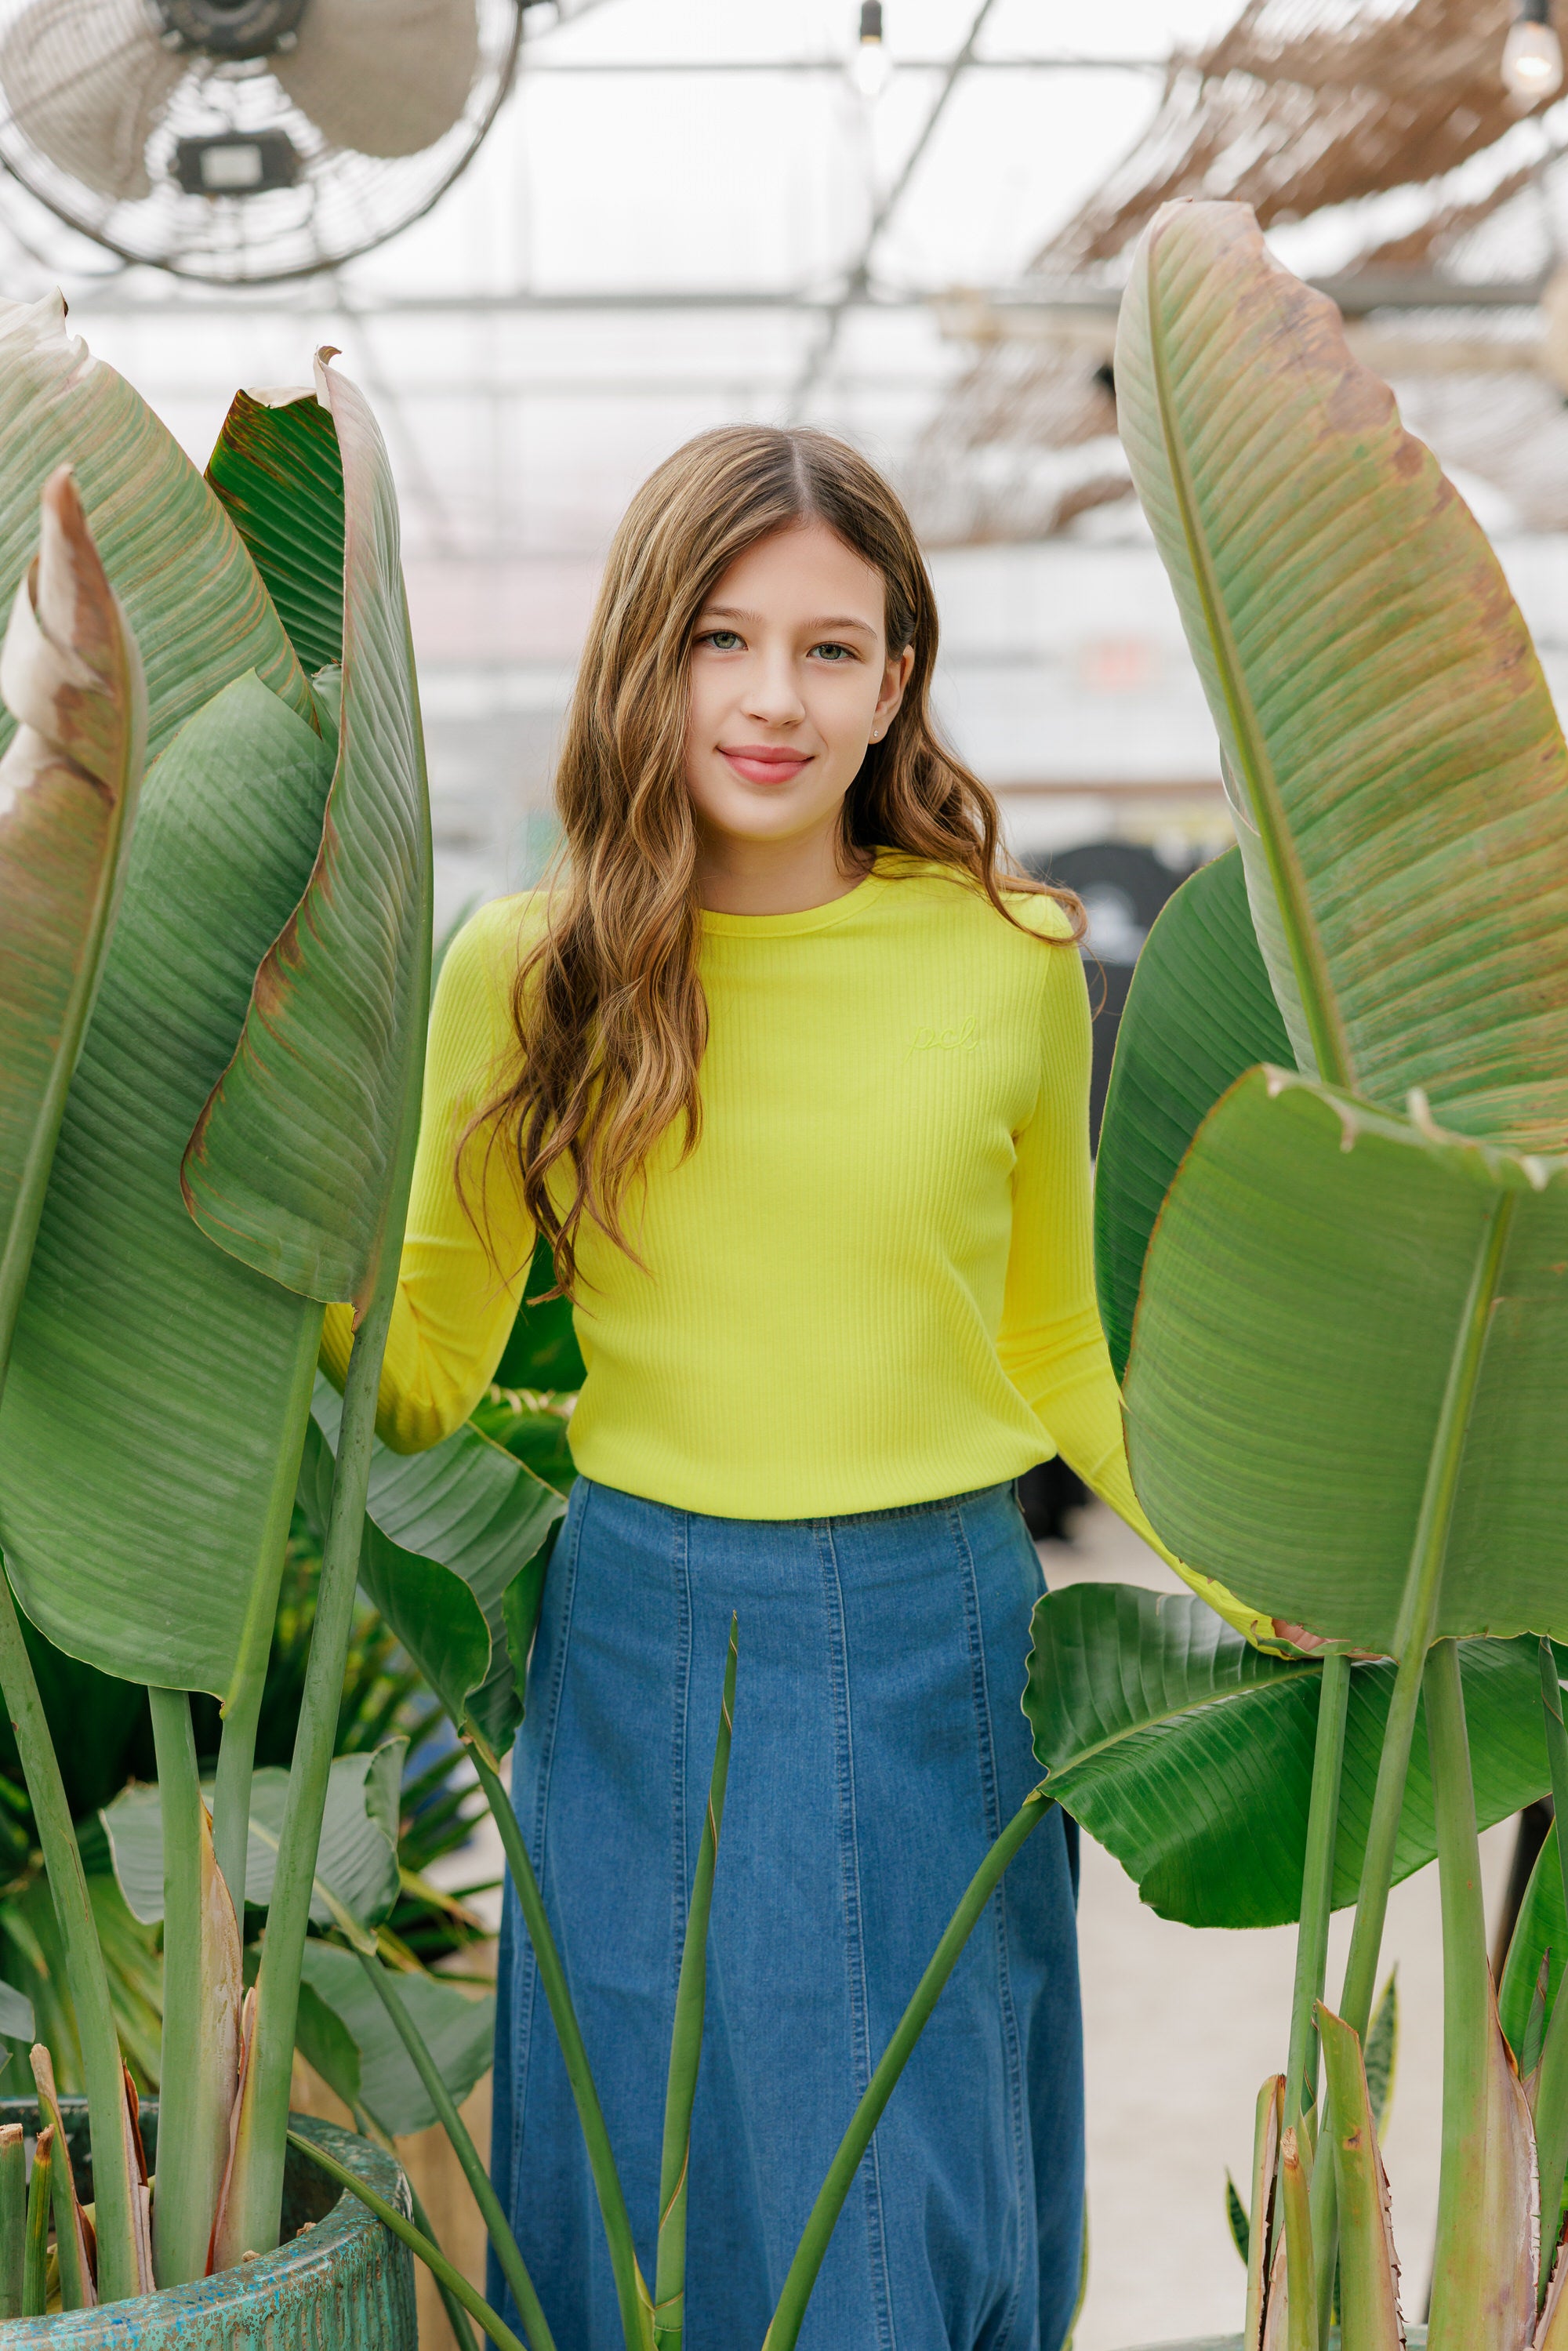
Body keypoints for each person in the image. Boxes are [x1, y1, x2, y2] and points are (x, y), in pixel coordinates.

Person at [321, 425, 1225, 2351]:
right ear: (647, 656)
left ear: (897, 679)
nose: (771, 697)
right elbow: (421, 1378)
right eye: (723, 638)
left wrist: (1247, 1567)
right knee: (646, 2196)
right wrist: (242, 1228)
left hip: (936, 1641)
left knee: (913, 2206)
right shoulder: (531, 972)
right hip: (639, 1646)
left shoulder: (1012, 956)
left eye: (831, 649)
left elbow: (1059, 1339)